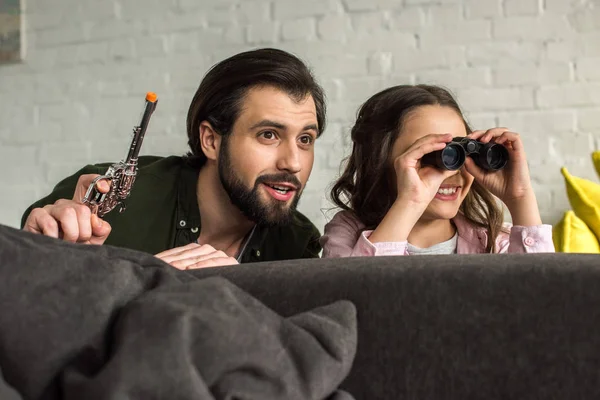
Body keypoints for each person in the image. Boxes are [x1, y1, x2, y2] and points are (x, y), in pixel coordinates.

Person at [21, 48, 327, 268]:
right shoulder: (103, 202)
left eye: (305, 139)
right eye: (269, 135)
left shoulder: (298, 246)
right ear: (211, 141)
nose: (293, 163)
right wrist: (41, 252)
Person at [320, 84, 554, 257]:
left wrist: (520, 197)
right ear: (380, 160)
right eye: (431, 155)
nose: (451, 171)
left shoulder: (493, 240)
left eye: (457, 154)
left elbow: (543, 305)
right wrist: (411, 201)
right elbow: (358, 298)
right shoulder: (347, 233)